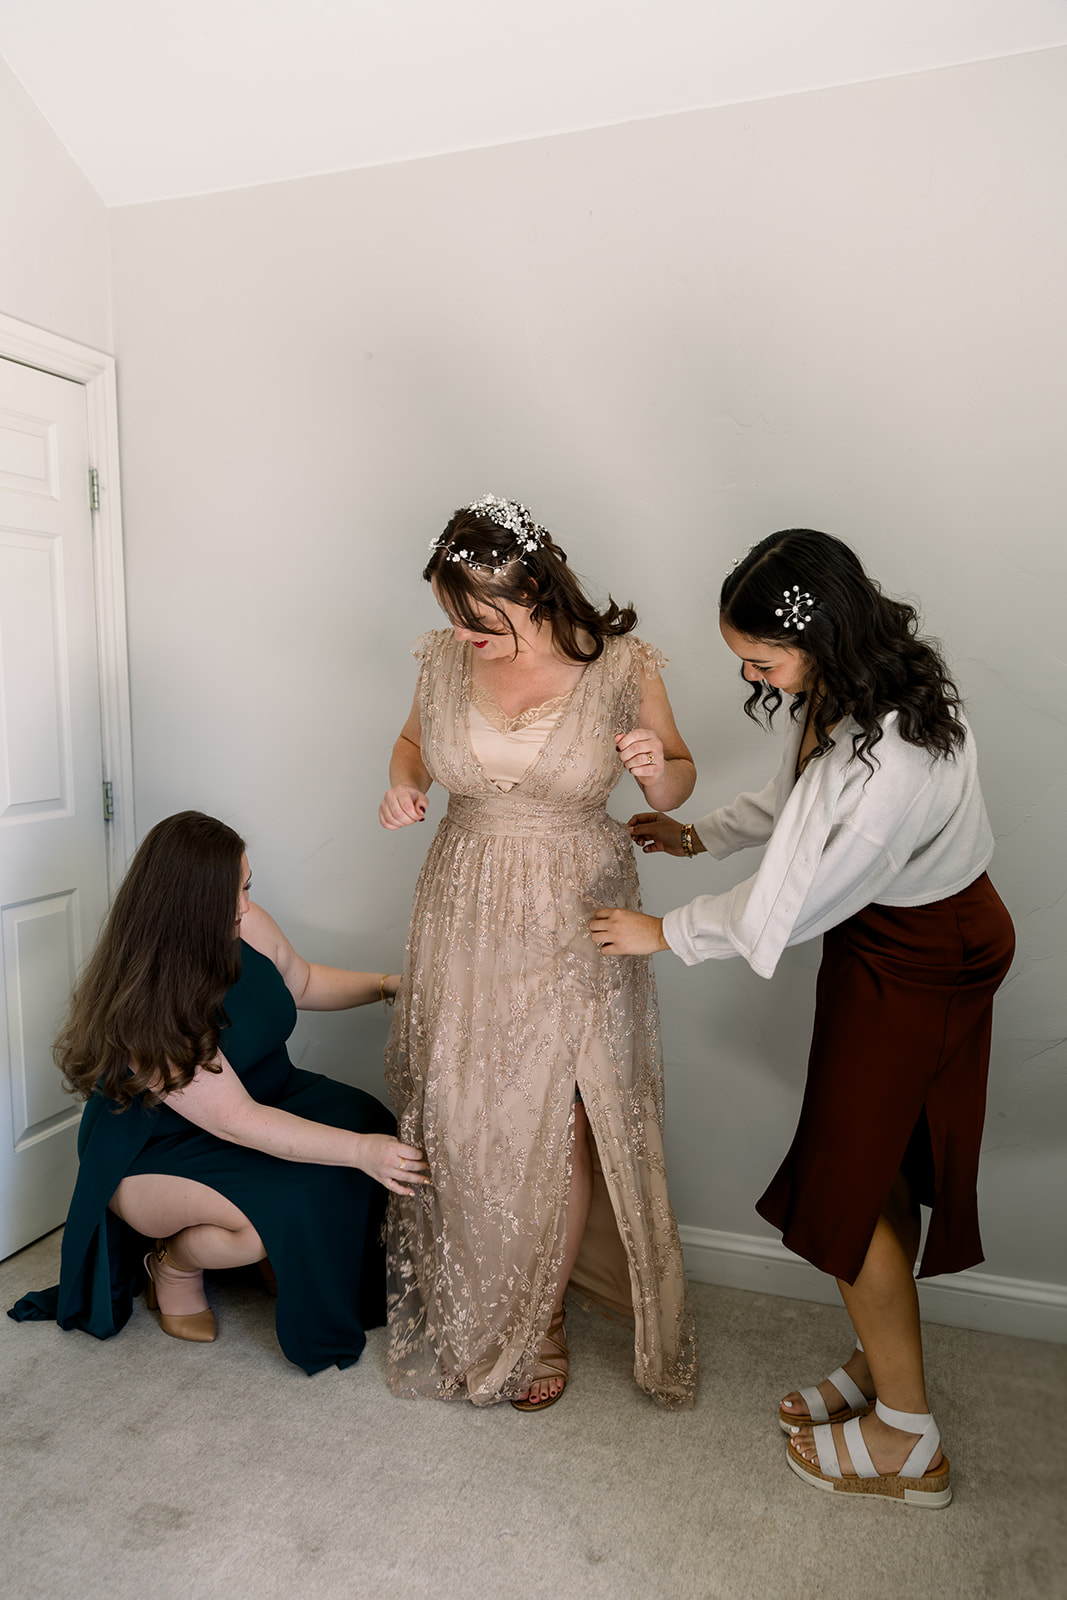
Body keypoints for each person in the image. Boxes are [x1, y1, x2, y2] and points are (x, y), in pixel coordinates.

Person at [590, 528, 1014, 1506]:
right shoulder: (853, 687)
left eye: (760, 660)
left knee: (845, 1183)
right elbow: (795, 803)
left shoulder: (887, 764)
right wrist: (698, 836)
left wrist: (665, 932)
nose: (749, 677)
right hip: (894, 940)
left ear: (819, 636)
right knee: (879, 1169)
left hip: (924, 954)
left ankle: (908, 1440)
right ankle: (881, 1363)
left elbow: (796, 895)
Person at [379, 494, 698, 1410]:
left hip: (574, 911)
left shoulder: (622, 664)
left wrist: (656, 770)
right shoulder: (444, 659)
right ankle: (480, 1295)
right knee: (467, 1105)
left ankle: (541, 1316)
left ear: (530, 588)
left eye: (479, 619)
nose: (463, 636)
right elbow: (410, 744)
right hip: (464, 901)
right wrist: (402, 785)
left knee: (561, 1116)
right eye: (453, 617)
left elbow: (677, 777)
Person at [9, 811, 428, 1375]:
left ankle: (288, 1257)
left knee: (369, 1120)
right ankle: (174, 1264)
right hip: (157, 1148)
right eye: (230, 895)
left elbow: (302, 980)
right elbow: (238, 1121)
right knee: (279, 1208)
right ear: (187, 907)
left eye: (247, 886)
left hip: (262, 1097)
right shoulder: (150, 1008)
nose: (245, 906)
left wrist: (387, 986)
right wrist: (360, 1153)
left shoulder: (244, 924)